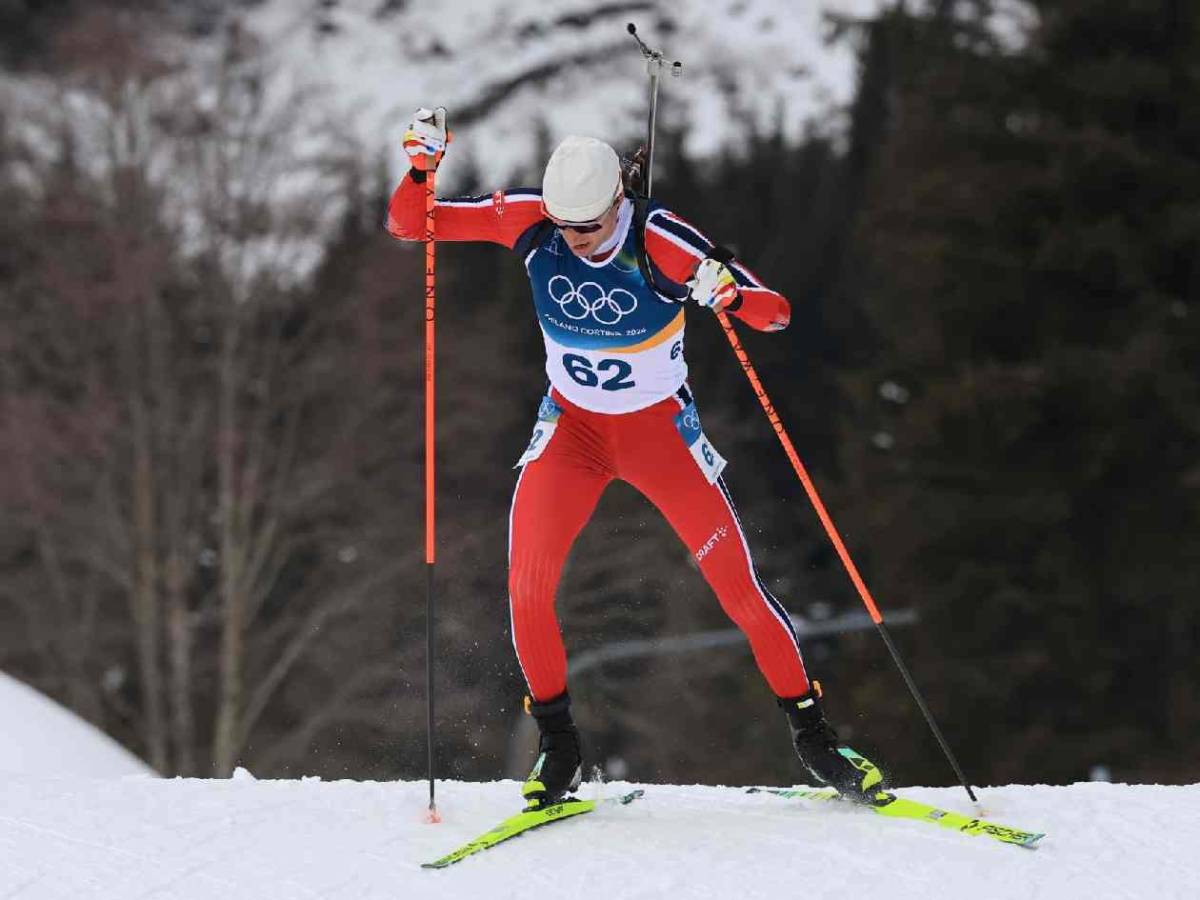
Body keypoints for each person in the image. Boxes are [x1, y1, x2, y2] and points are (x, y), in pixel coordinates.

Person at [387, 108, 887, 808]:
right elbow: (413, 223)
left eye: (588, 228)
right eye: (565, 227)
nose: (576, 240)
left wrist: (733, 295)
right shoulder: (532, 218)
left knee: (738, 590)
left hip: (659, 437)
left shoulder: (660, 238)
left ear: (616, 204)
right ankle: (559, 749)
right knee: (526, 587)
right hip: (573, 433)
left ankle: (816, 739)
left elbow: (778, 313)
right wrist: (421, 167)